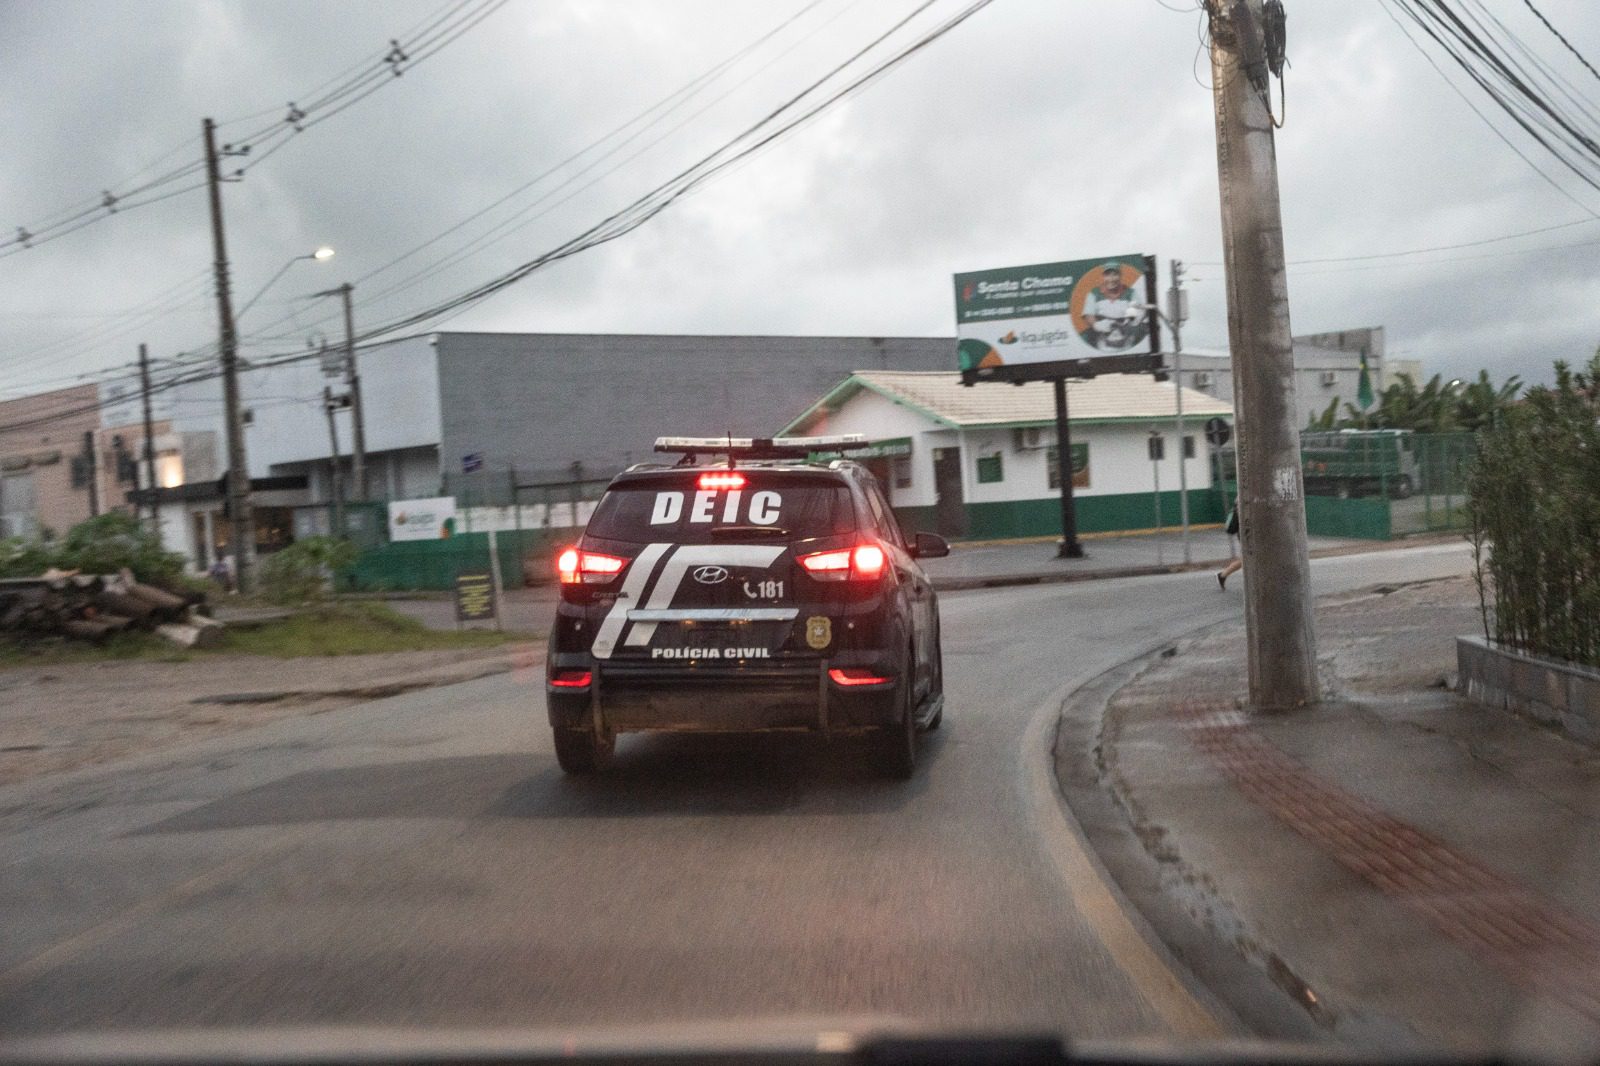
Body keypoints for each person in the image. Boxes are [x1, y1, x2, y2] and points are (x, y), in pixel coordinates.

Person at [1081, 262, 1147, 352]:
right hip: (1103, 328)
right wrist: (1097, 325)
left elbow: (1138, 311)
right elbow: (1088, 314)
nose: (1111, 279)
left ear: (1120, 276)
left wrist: (1130, 322)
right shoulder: (1094, 293)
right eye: (1108, 275)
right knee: (1085, 335)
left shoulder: (1131, 292)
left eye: (1115, 275)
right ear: (1103, 277)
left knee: (1142, 330)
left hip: (1124, 327)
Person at [1217, 506, 1241, 589]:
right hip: (1247, 533)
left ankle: (1223, 575)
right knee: (1246, 559)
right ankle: (1223, 575)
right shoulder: (1246, 496)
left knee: (1246, 559)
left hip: (1246, 532)